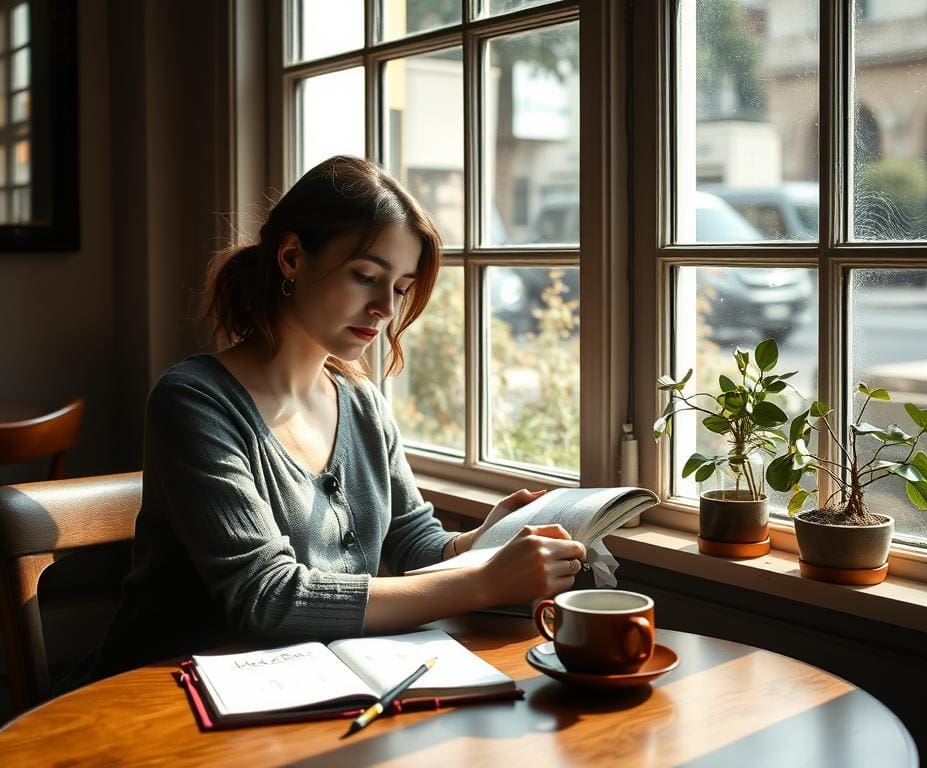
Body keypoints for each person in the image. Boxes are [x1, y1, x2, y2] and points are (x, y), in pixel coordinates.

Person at [81, 155, 585, 681]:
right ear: (293, 257)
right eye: (367, 276)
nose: (385, 308)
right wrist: (483, 582)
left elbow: (413, 547)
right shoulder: (193, 401)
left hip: (310, 687)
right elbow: (269, 598)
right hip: (163, 692)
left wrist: (483, 540)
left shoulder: (361, 401)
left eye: (401, 288)